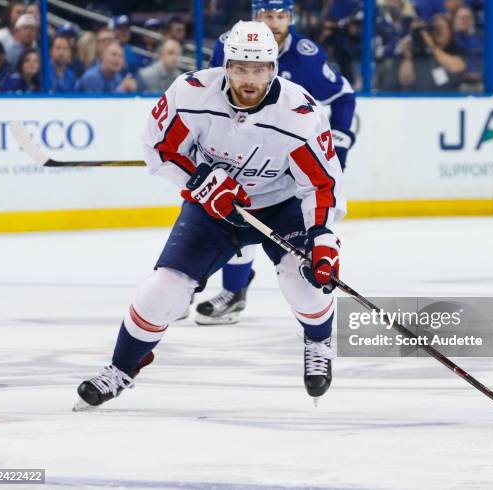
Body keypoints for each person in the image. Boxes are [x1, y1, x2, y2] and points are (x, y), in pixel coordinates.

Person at [74, 20, 344, 410]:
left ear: (273, 69)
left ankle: (318, 340)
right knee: (161, 291)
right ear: (226, 66)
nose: (248, 79)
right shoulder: (191, 93)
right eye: (240, 68)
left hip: (281, 208)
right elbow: (160, 149)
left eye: (258, 69)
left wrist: (321, 237)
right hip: (212, 208)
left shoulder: (298, 114)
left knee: (303, 282)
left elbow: (320, 184)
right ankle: (121, 369)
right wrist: (200, 180)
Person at [200, 0, 355, 326]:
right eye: (268, 15)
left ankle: (313, 319)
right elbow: (213, 97)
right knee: (236, 219)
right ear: (256, 16)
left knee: (300, 237)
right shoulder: (230, 45)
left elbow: (342, 95)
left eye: (281, 16)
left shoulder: (306, 55)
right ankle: (232, 291)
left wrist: (339, 142)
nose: (274, 22)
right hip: (242, 153)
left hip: (290, 158)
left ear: (291, 17)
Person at [397, 14, 467, 91]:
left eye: (441, 28)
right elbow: (405, 81)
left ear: (450, 31)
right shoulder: (420, 54)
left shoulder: (457, 51)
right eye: (434, 28)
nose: (438, 31)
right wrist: (407, 57)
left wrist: (433, 47)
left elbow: (456, 68)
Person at [75, 40, 139, 93]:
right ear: (102, 56)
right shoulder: (92, 77)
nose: (117, 60)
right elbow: (98, 106)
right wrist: (121, 89)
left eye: (121, 56)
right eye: (114, 55)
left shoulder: (117, 77)